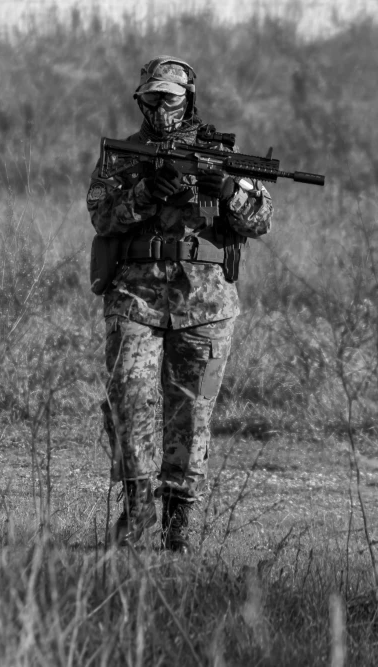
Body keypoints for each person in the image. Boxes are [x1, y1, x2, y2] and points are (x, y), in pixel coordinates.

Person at [87, 56, 273, 553]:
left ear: (188, 98)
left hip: (207, 306)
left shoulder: (217, 155)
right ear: (140, 99)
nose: (161, 106)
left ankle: (179, 519)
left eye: (170, 97)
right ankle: (138, 508)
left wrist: (229, 191)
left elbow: (261, 220)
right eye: (152, 97)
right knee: (128, 402)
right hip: (135, 301)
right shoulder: (123, 156)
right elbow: (101, 217)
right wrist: (145, 192)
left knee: (193, 414)